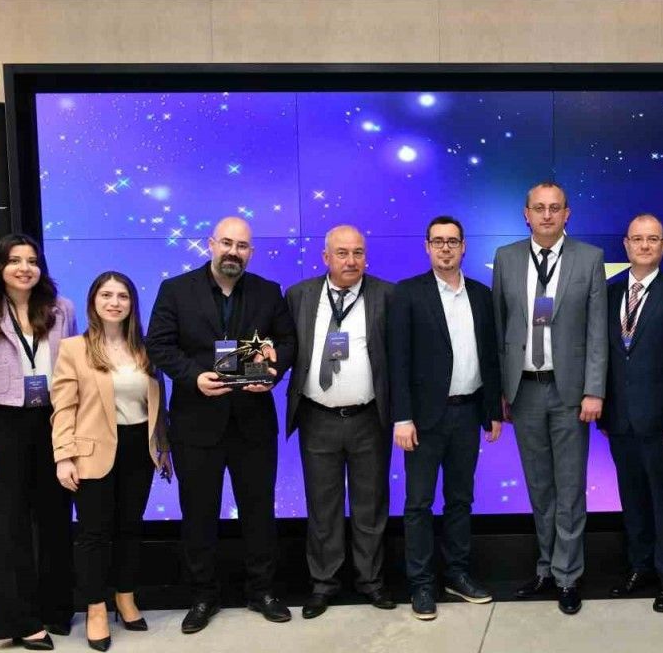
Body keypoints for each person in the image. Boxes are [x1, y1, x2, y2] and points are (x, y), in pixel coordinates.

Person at [146, 216, 297, 633]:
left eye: (242, 246)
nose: (234, 252)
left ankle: (262, 591)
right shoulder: (176, 290)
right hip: (197, 423)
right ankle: (202, 596)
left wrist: (273, 372)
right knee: (198, 515)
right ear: (210, 244)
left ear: (251, 252)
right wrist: (193, 376)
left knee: (259, 512)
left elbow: (288, 343)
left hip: (253, 423)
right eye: (227, 243)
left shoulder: (268, 292)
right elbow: (158, 344)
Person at [0, 233, 76, 650]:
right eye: (15, 260)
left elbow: (72, 371)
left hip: (52, 419)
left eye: (32, 261)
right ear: (0, 266)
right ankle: (20, 621)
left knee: (55, 517)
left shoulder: (61, 309)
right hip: (0, 422)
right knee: (6, 525)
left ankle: (56, 608)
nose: (25, 268)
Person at [491, 181, 607, 615]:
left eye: (554, 208)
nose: (546, 215)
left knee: (570, 488)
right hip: (523, 391)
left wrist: (594, 389)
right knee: (540, 487)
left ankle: (568, 575)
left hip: (570, 392)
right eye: (538, 208)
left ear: (567, 214)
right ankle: (546, 567)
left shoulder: (589, 258)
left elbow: (597, 331)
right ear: (526, 214)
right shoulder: (506, 258)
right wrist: (502, 390)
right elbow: (499, 329)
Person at [387, 215, 503, 621]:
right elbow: (398, 361)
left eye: (452, 241)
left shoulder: (482, 295)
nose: (445, 248)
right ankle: (421, 584)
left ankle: (457, 574)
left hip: (467, 413)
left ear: (464, 246)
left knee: (460, 500)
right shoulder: (407, 293)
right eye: (438, 241)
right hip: (422, 420)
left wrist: (492, 410)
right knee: (419, 503)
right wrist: (402, 417)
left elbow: (490, 357)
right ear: (427, 247)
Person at [50, 271, 173, 651]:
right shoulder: (73, 348)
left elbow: (157, 406)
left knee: (129, 528)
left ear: (132, 304)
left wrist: (163, 450)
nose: (114, 302)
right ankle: (96, 608)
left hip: (139, 448)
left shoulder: (146, 349)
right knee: (93, 533)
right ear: (93, 302)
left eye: (122, 296)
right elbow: (63, 407)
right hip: (92, 451)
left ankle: (125, 596)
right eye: (106, 295)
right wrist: (63, 456)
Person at [284, 225, 396, 618]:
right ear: (325, 257)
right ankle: (324, 584)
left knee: (371, 504)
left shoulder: (386, 295)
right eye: (342, 253)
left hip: (369, 419)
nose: (351, 261)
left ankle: (371, 581)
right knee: (323, 506)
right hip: (317, 418)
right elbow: (285, 348)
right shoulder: (299, 295)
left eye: (358, 253)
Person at [600, 214, 663, 613]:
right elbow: (605, 356)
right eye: (638, 239)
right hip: (619, 420)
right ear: (626, 244)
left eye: (652, 239)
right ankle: (640, 566)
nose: (644, 246)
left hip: (662, 425)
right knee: (633, 497)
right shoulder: (608, 294)